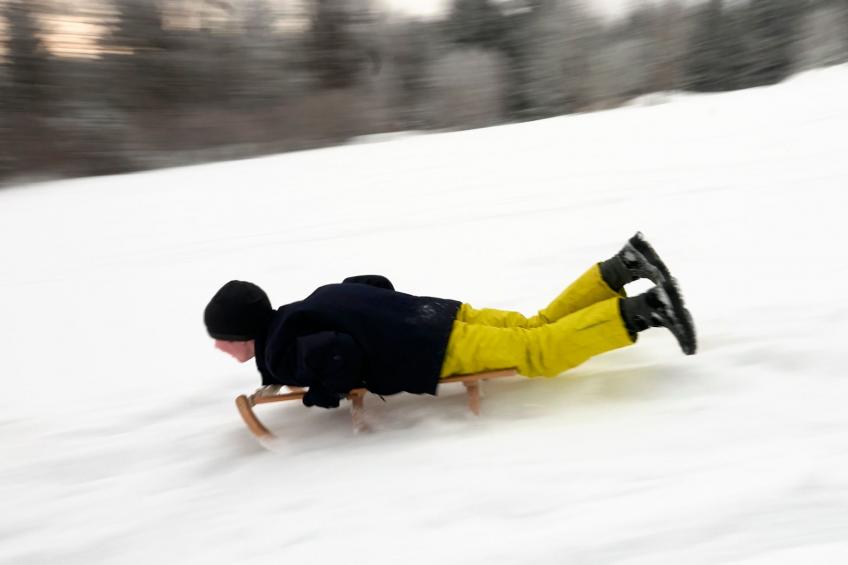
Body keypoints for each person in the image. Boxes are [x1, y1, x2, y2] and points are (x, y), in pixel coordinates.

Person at [204, 232, 696, 409]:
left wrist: (323, 392)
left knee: (538, 353)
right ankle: (622, 267)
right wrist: (385, 318)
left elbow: (341, 355)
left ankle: (647, 309)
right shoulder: (304, 305)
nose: (220, 349)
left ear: (242, 334)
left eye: (222, 340)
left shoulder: (280, 352)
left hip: (432, 344)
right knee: (536, 324)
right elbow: (372, 282)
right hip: (438, 313)